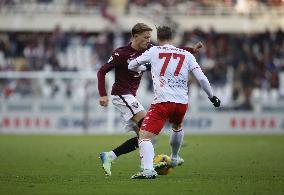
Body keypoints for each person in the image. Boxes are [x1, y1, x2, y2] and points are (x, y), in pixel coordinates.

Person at [97, 23, 203, 176]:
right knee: (148, 128)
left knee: (143, 136)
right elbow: (102, 71)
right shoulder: (121, 53)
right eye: (145, 37)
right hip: (121, 95)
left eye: (149, 37)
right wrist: (102, 93)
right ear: (135, 36)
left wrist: (191, 50)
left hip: (130, 96)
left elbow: (170, 50)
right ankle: (148, 166)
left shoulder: (149, 49)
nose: (148, 40)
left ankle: (109, 156)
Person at [128, 26, 221, 179]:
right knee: (177, 126)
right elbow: (202, 78)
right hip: (182, 103)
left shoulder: (154, 51)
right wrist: (212, 97)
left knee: (144, 136)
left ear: (158, 39)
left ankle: (148, 170)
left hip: (163, 102)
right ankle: (176, 156)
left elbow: (131, 65)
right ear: (172, 39)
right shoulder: (186, 54)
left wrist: (148, 65)